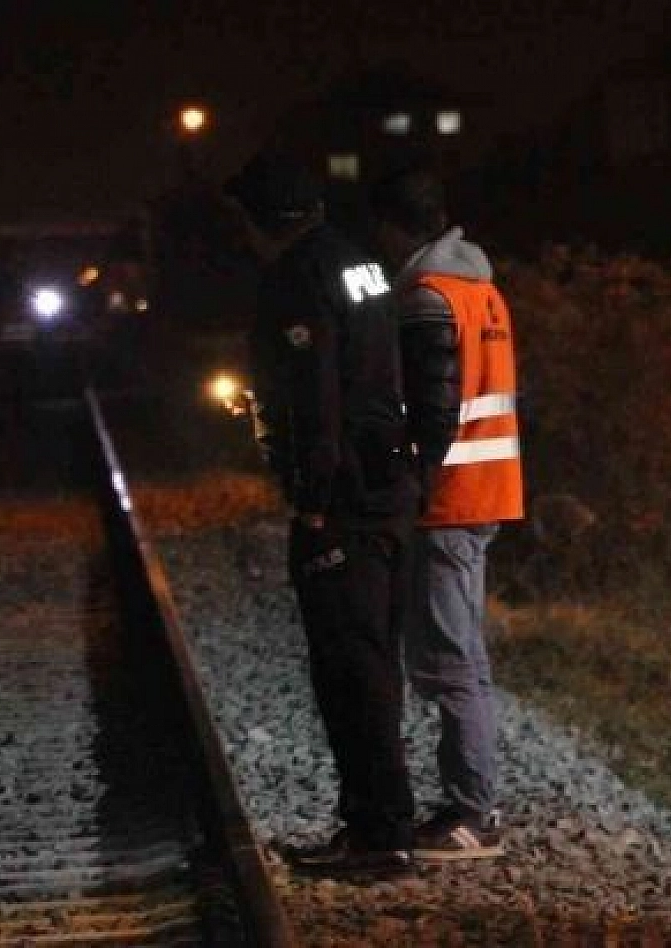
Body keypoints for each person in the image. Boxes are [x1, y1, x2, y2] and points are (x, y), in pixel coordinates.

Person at [224, 153, 419, 878]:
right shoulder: (359, 264)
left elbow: (314, 400)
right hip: (388, 488)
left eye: (240, 220)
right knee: (372, 660)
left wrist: (310, 503)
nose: (237, 235)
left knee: (350, 668)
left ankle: (380, 835)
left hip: (344, 502)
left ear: (263, 218)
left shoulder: (296, 281)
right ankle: (376, 822)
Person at [370, 165, 524, 862]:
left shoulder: (428, 298)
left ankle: (470, 812)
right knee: (468, 657)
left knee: (453, 659)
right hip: (486, 486)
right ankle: (473, 801)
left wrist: (403, 484)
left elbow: (432, 412)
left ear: (392, 228)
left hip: (448, 499)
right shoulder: (481, 288)